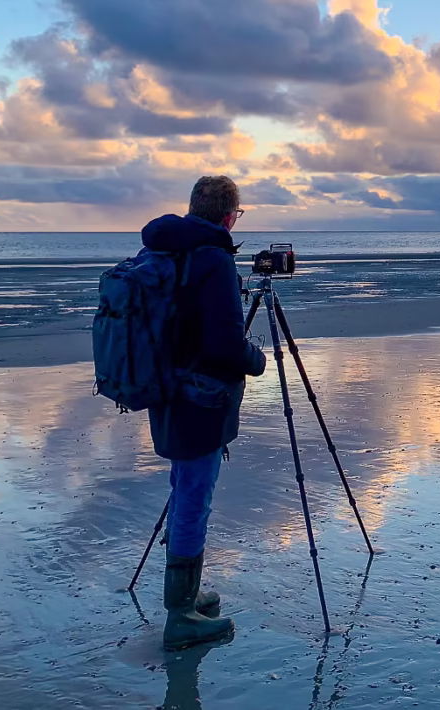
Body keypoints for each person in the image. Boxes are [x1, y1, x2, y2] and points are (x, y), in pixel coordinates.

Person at [141, 176, 266, 650]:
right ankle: (181, 617)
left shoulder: (164, 249)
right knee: (194, 493)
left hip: (165, 389)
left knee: (183, 485)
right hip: (200, 397)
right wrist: (255, 359)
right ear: (230, 216)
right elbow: (224, 347)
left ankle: (187, 594)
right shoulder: (211, 258)